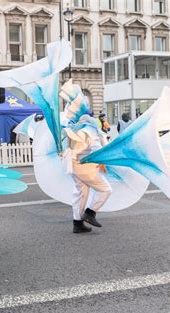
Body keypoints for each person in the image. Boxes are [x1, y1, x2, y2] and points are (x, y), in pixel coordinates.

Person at [60, 81, 112, 234]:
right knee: (105, 189)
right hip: (85, 167)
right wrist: (104, 160)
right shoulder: (90, 129)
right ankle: (90, 213)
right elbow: (96, 149)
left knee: (80, 193)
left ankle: (77, 223)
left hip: (73, 164)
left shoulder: (73, 128)